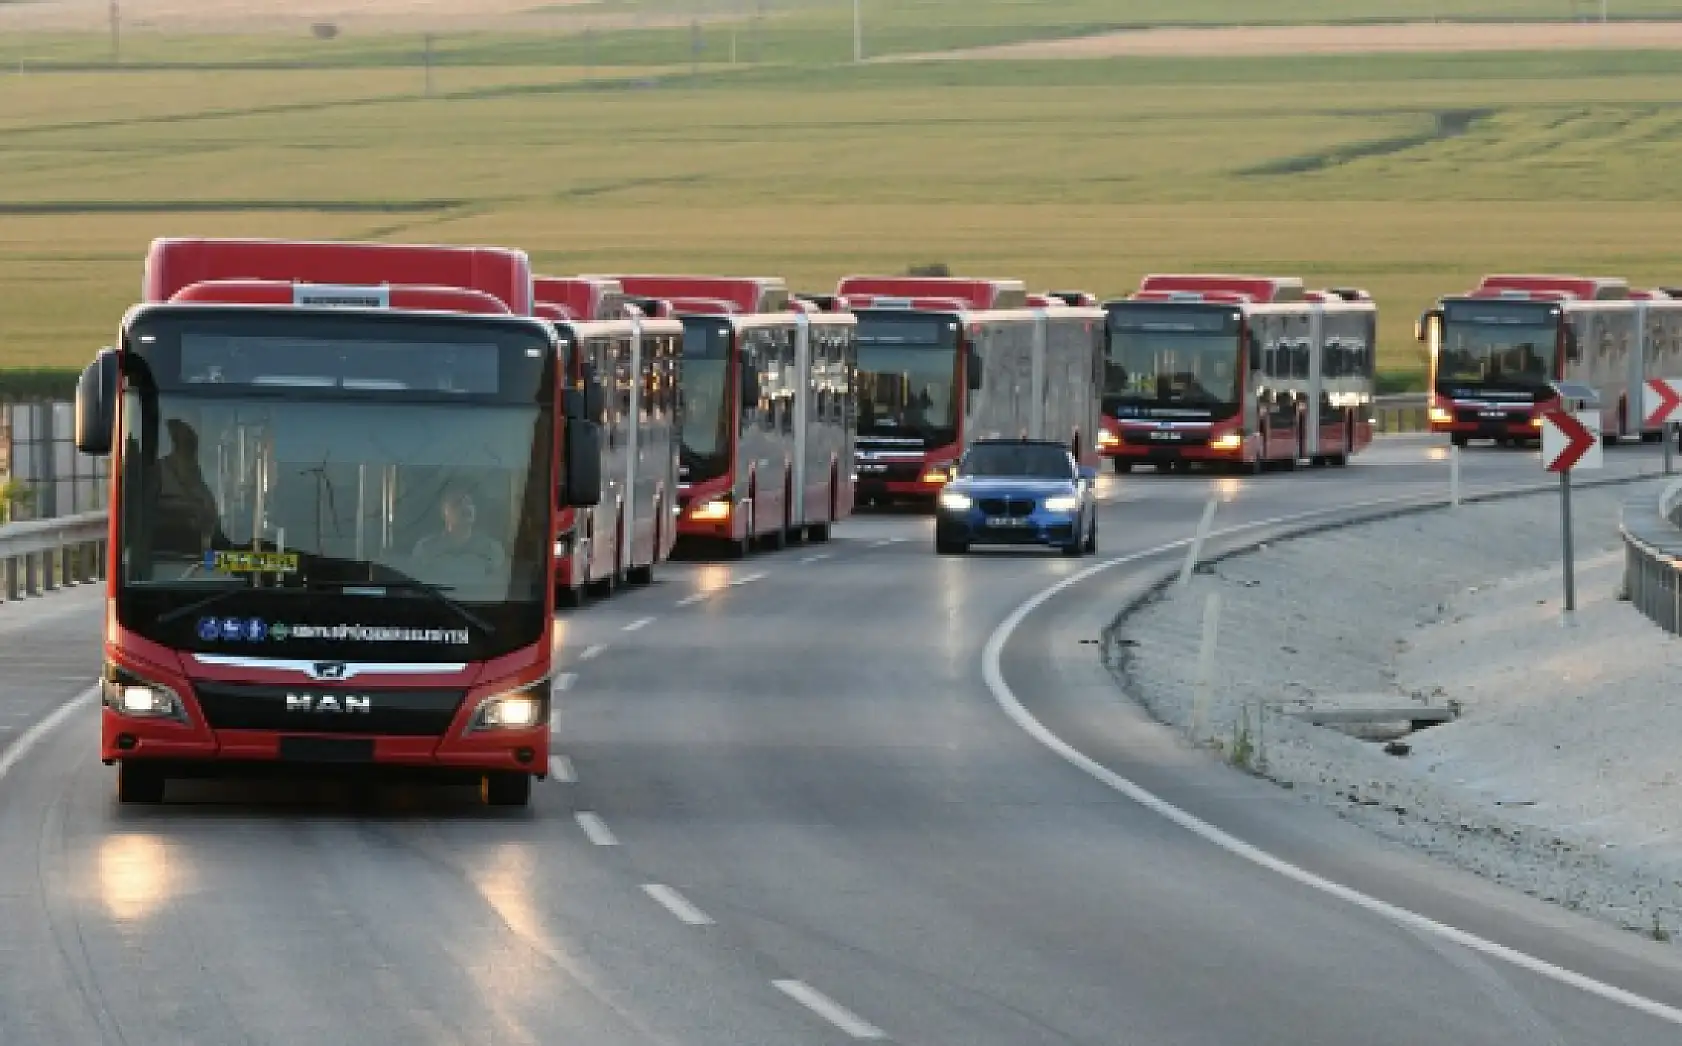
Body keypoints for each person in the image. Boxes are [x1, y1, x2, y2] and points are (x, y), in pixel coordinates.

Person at [155, 419, 224, 554]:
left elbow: (211, 521)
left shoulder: (197, 479)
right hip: (162, 559)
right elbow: (146, 512)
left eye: (192, 447)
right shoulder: (157, 474)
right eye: (185, 446)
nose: (191, 454)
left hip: (196, 562)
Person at [413, 487, 505, 580]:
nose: (466, 507)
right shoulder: (426, 548)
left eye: (469, 502)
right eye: (457, 503)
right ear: (443, 512)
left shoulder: (491, 549)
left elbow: (495, 586)